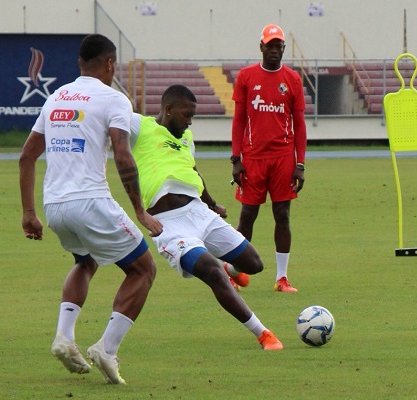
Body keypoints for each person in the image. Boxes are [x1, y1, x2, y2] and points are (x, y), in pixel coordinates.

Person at [19, 34, 163, 384]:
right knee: (144, 270)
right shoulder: (113, 98)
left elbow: (26, 157)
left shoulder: (56, 97)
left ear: (80, 64)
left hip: (55, 207)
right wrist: (140, 210)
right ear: (110, 64)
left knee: (86, 261)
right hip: (91, 201)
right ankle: (107, 348)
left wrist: (28, 213)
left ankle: (64, 337)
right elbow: (122, 152)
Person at [129, 84, 283, 350]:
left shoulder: (187, 138)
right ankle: (263, 333)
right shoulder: (138, 127)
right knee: (211, 272)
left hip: (199, 212)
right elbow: (105, 114)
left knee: (254, 264)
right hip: (169, 224)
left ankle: (228, 268)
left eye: (193, 116)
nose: (190, 122)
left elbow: (193, 171)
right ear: (168, 109)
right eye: (186, 115)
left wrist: (212, 204)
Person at [230, 24, 307, 292]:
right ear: (261, 47)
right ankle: (235, 273)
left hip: (283, 158)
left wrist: (300, 164)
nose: (274, 51)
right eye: (269, 46)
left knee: (282, 214)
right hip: (252, 159)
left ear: (283, 49)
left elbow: (300, 125)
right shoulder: (246, 77)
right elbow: (239, 120)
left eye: (278, 46)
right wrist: (236, 158)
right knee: (247, 215)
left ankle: (282, 278)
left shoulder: (293, 80)